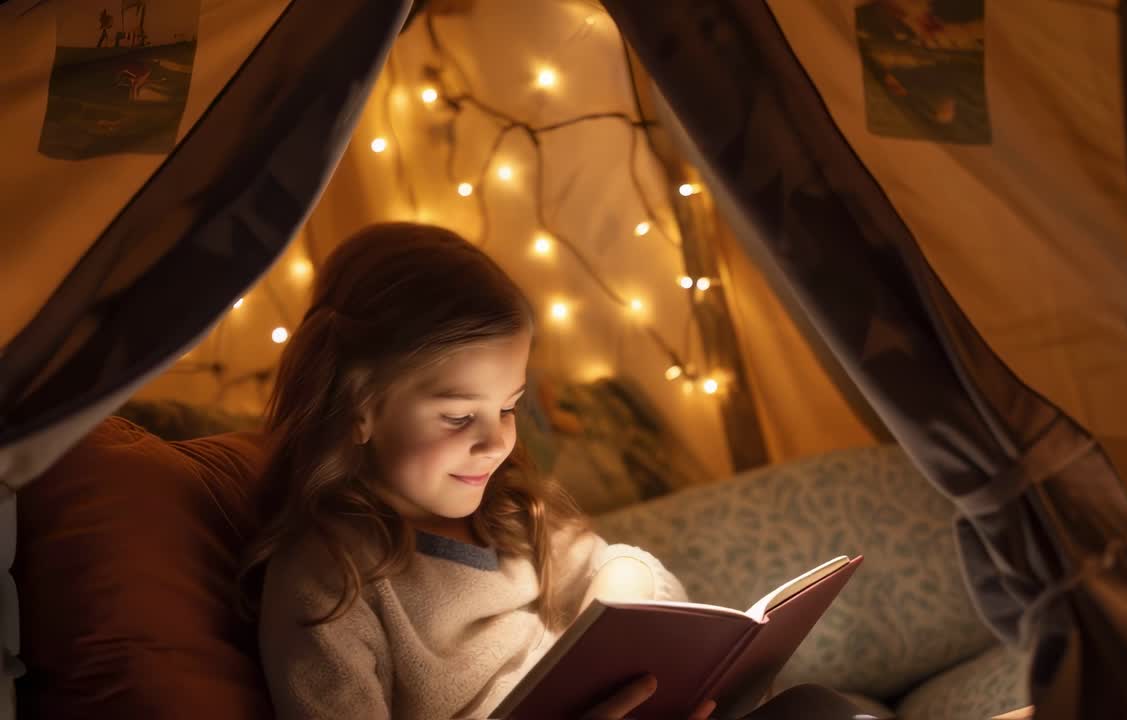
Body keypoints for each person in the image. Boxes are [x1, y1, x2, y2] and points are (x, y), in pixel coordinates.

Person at [242, 223, 877, 719]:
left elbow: (623, 572)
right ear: (359, 409)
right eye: (459, 417)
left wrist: (626, 602)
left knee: (822, 708)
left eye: (510, 407)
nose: (496, 442)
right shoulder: (328, 581)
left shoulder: (510, 515)